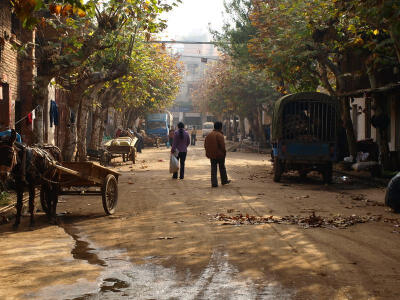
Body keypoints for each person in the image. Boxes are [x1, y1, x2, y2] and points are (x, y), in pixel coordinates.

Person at [204, 121, 230, 187]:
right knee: (222, 168)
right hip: (220, 155)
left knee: (213, 169)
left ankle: (214, 183)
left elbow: (205, 145)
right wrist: (224, 153)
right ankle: (224, 181)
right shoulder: (220, 135)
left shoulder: (209, 135)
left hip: (212, 155)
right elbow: (222, 146)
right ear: (220, 127)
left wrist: (208, 153)